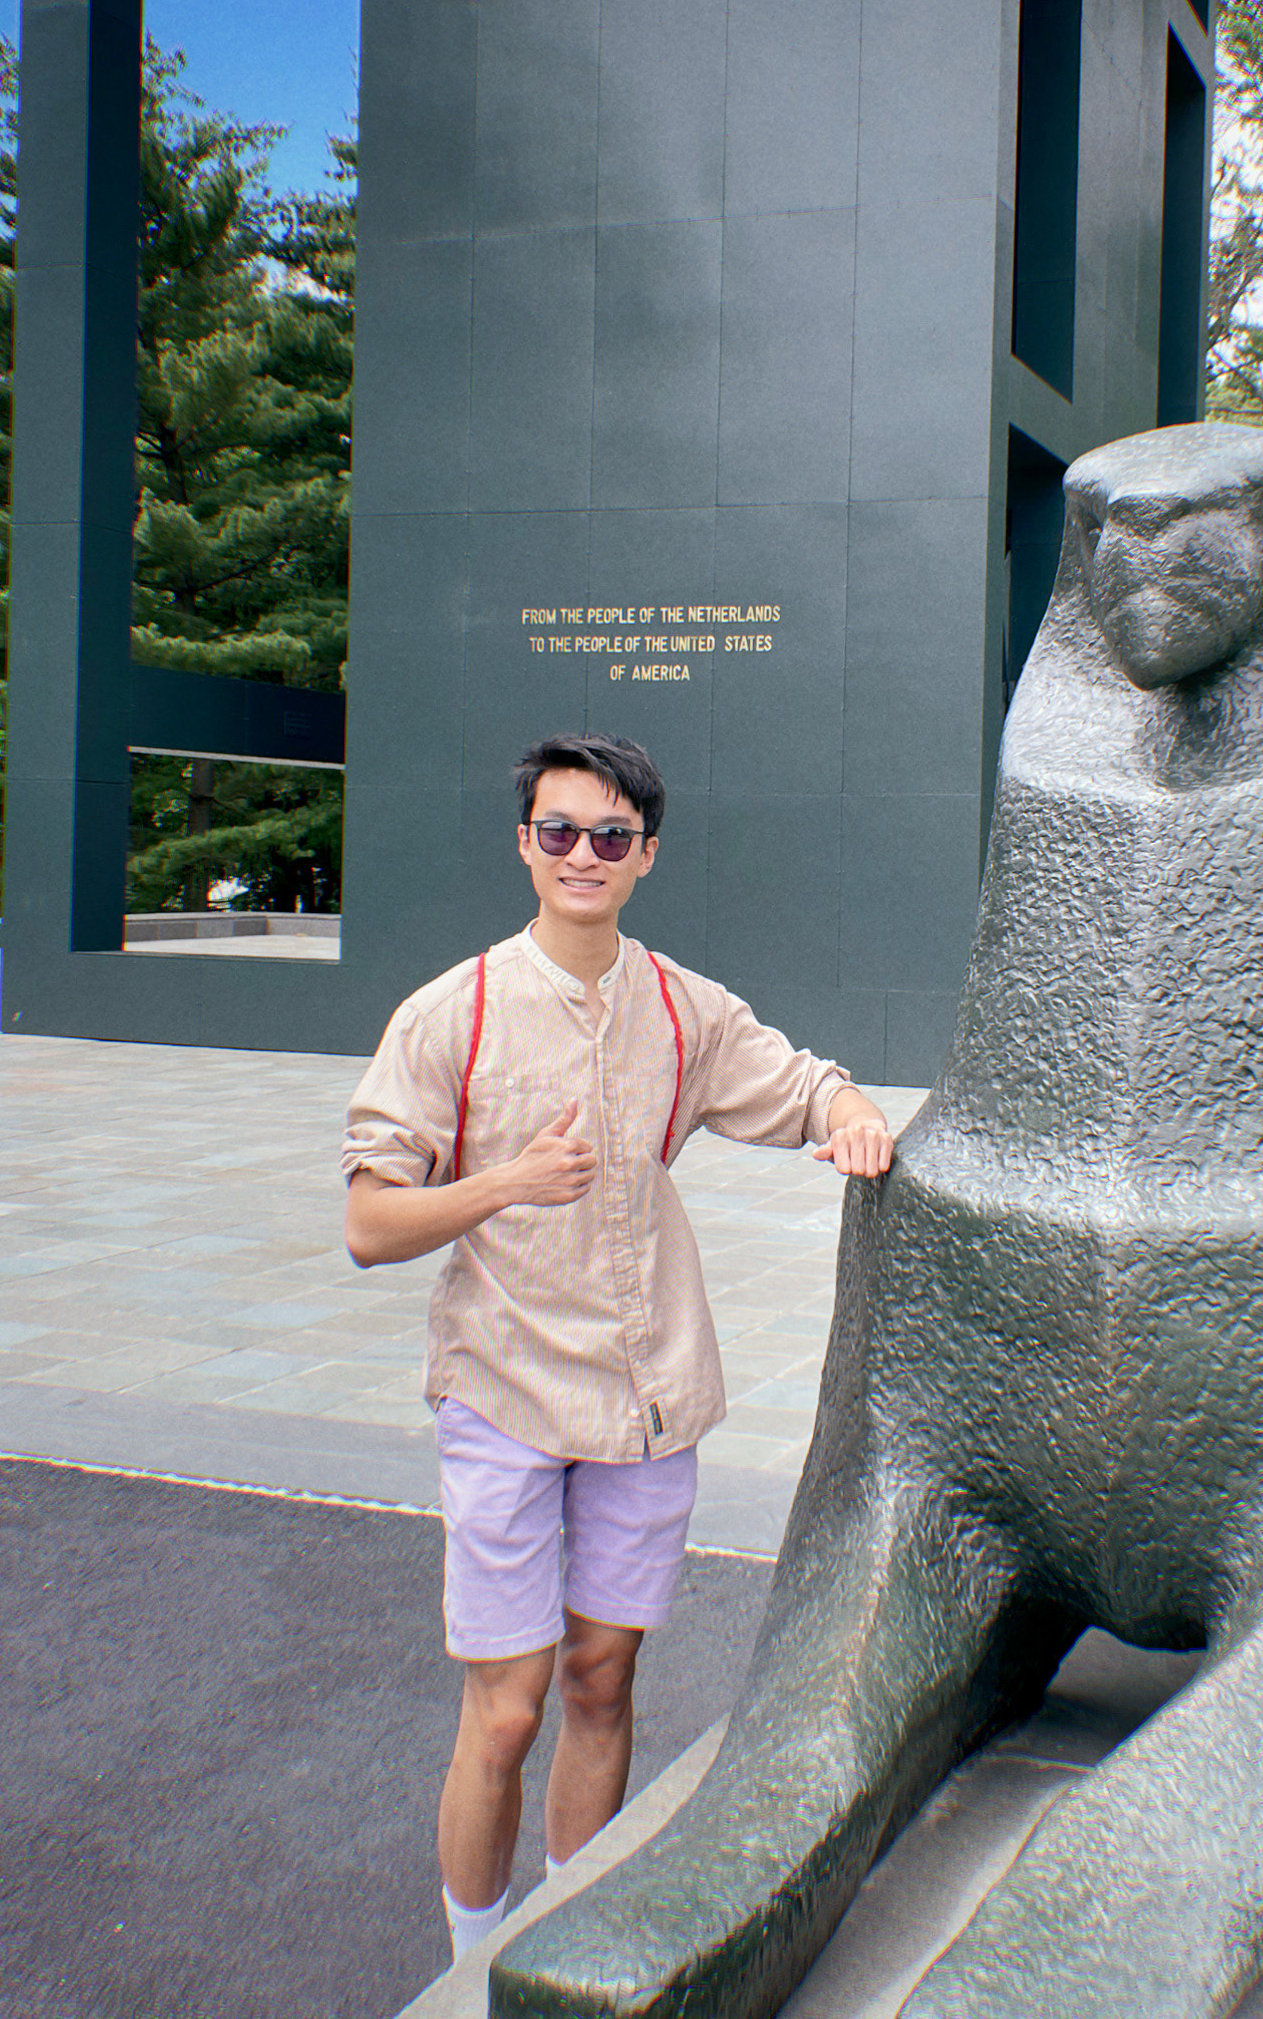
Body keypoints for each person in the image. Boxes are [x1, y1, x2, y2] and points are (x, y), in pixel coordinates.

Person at [342, 731, 895, 1965]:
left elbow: (799, 1086)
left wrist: (850, 1110)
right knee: (505, 1709)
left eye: (609, 837)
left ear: (644, 855)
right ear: (523, 843)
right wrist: (505, 1184)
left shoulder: (681, 1007)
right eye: (557, 831)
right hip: (504, 1392)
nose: (581, 855)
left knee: (601, 1682)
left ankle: (563, 1940)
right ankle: (476, 1962)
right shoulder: (454, 1012)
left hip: (648, 1403)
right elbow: (371, 1224)